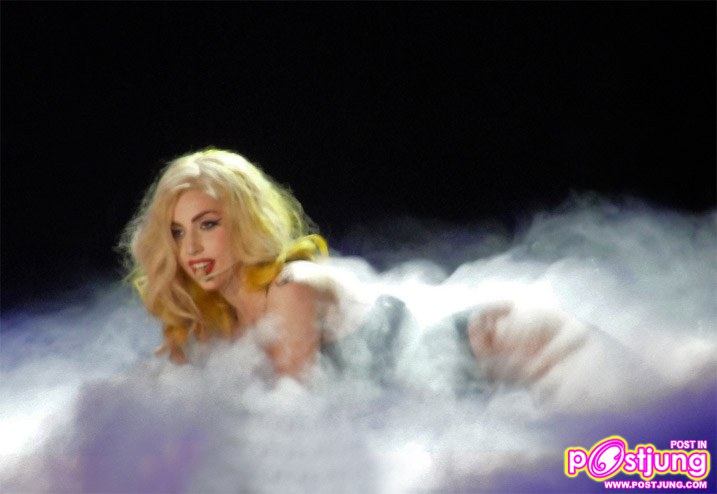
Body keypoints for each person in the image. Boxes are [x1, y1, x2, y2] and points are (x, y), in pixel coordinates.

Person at [119, 148, 656, 410]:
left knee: (666, 432)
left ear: (242, 221)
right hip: (466, 394)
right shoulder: (221, 327)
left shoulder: (291, 287)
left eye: (208, 225)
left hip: (500, 341)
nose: (191, 249)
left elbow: (294, 411)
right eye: (177, 233)